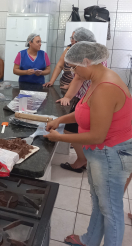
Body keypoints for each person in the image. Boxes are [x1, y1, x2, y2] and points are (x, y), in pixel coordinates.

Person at [44, 42, 132, 246]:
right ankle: (89, 240)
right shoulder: (97, 78)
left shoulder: (106, 86)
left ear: (86, 61)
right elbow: (85, 111)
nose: (73, 71)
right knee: (100, 202)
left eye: (75, 67)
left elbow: (97, 136)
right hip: (102, 153)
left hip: (112, 154)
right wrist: (60, 121)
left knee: (111, 210)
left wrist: (60, 138)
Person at [53, 28, 106, 173]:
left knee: (71, 131)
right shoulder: (96, 54)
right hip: (88, 98)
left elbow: (78, 78)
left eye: (73, 39)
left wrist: (68, 97)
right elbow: (78, 77)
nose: (71, 41)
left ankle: (82, 159)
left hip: (86, 99)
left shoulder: (85, 56)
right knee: (77, 129)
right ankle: (85, 158)